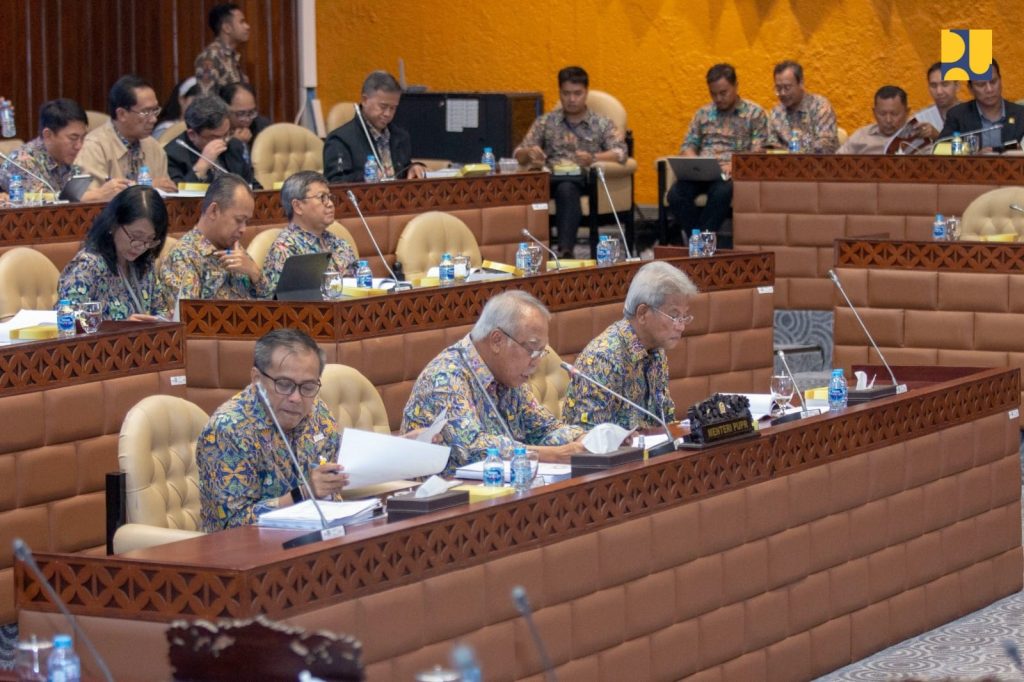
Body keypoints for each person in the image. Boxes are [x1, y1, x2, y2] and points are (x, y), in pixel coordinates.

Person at [402, 291, 585, 475]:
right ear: (497, 340)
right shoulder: (445, 376)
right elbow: (472, 449)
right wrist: (553, 455)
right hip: (446, 490)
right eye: (532, 350)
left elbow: (544, 428)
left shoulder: (507, 375)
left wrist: (583, 440)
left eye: (541, 352)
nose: (536, 362)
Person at [197, 328, 347, 531]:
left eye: (308, 387)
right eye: (284, 385)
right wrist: (303, 494)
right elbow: (233, 525)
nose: (296, 398)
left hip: (320, 535)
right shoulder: (228, 430)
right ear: (257, 379)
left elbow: (335, 484)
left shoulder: (318, 412)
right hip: (252, 546)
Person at [563, 262, 697, 430]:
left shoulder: (656, 351)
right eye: (674, 316)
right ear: (642, 313)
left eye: (684, 316)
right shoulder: (603, 359)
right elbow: (591, 438)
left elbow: (664, 421)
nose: (681, 326)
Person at [513, 66, 628, 259]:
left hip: (582, 180)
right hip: (549, 177)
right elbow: (519, 153)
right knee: (528, 185)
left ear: (586, 93)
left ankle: (565, 252)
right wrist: (530, 153)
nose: (571, 99)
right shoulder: (546, 122)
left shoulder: (601, 123)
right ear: (559, 93)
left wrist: (593, 158)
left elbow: (620, 152)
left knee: (566, 188)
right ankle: (527, 252)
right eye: (566, 93)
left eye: (577, 93)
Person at [667, 63, 769, 245]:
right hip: (703, 170)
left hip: (730, 172)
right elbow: (689, 143)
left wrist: (734, 165)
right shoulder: (703, 114)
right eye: (713, 94)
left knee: (722, 191)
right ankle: (700, 243)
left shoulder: (754, 114)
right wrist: (693, 161)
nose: (718, 98)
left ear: (736, 86)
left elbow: (758, 152)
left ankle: (699, 244)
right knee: (675, 194)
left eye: (723, 93)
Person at [57, 185, 170, 321]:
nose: (141, 247)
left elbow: (159, 310)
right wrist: (120, 329)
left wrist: (166, 318)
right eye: (136, 236)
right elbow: (66, 321)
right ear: (113, 224)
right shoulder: (88, 267)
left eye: (149, 240)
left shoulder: (144, 263)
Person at [160, 173, 268, 302]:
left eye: (246, 222)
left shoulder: (234, 247)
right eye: (239, 220)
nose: (243, 229)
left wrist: (254, 273)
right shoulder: (184, 256)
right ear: (214, 211)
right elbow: (187, 312)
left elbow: (271, 304)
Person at [0, 98, 127, 202]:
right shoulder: (22, 161)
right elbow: (36, 204)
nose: (79, 146)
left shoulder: (69, 157)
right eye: (73, 138)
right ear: (48, 135)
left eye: (83, 137)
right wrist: (96, 195)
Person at [75, 75, 177, 193]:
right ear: (122, 114)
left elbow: (165, 192)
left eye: (155, 110)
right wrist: (146, 186)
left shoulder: (153, 147)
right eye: (145, 112)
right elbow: (89, 198)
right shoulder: (94, 147)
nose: (154, 119)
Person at [261, 171, 357, 294]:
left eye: (329, 197)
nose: (330, 204)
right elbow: (283, 301)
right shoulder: (285, 249)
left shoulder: (339, 242)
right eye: (322, 198)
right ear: (298, 206)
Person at [323, 71, 426, 183]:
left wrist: (413, 168)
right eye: (383, 106)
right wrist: (365, 177)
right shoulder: (339, 140)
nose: (388, 114)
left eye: (393, 108)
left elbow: (402, 168)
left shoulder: (400, 136)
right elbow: (335, 182)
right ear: (364, 100)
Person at [165, 95, 257, 187]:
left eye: (226, 134)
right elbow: (178, 194)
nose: (223, 142)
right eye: (215, 137)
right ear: (192, 134)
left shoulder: (234, 145)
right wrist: (202, 165)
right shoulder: (172, 156)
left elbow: (254, 186)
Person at [940, 59, 1024, 153]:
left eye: (993, 82)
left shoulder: (1021, 114)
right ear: (970, 89)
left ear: (1000, 81)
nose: (989, 89)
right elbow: (940, 149)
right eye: (981, 85)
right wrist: (973, 155)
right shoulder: (958, 115)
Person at [767, 60, 839, 153]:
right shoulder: (776, 113)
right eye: (778, 88)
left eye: (787, 87)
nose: (783, 93)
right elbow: (771, 146)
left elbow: (826, 145)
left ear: (801, 83)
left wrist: (794, 152)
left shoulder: (820, 106)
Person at [194, 3, 250, 95]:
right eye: (241, 22)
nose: (247, 26)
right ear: (227, 28)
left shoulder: (232, 57)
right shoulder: (209, 57)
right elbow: (205, 99)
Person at [837, 86, 910, 154]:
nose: (888, 120)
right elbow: (837, 161)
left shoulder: (915, 139)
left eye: (894, 114)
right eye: (882, 114)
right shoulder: (861, 136)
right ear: (874, 113)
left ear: (907, 112)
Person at [219, 81, 270, 166]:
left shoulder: (262, 127)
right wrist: (235, 144)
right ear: (225, 110)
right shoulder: (216, 131)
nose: (247, 119)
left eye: (251, 112)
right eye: (241, 114)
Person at [911, 62, 961, 140]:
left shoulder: (973, 114)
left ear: (957, 86)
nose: (939, 91)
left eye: (945, 84)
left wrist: (937, 137)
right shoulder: (920, 119)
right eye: (933, 86)